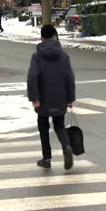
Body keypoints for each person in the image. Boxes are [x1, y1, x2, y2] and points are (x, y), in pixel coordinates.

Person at [27, 25, 76, 170]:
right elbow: (69, 77)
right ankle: (66, 146)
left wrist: (34, 97)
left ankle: (46, 158)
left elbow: (32, 77)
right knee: (59, 125)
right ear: (55, 36)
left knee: (43, 127)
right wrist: (70, 98)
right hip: (60, 97)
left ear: (42, 37)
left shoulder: (37, 56)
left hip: (42, 98)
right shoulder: (63, 55)